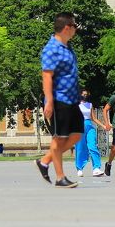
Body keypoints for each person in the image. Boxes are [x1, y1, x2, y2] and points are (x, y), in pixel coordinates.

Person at [35, 12, 82, 189]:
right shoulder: (51, 48)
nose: (76, 30)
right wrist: (48, 101)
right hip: (59, 99)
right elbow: (47, 76)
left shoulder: (67, 47)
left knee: (77, 134)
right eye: (74, 26)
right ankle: (60, 177)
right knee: (59, 139)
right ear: (66, 28)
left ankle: (44, 161)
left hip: (72, 99)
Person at [74, 90, 104, 177]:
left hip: (89, 126)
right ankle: (79, 168)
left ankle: (96, 168)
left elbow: (94, 118)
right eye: (83, 94)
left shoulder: (90, 105)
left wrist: (104, 126)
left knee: (93, 146)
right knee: (80, 147)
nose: (85, 96)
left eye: (86, 94)